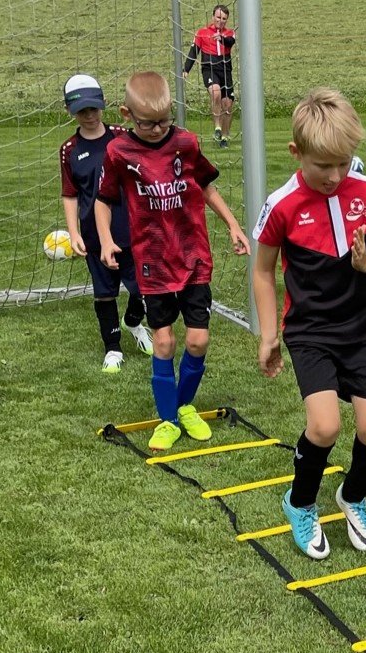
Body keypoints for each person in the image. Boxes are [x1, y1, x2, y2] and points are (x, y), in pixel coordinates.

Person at [253, 89, 366, 562]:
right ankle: (300, 503)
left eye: (343, 163)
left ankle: (352, 496)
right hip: (310, 333)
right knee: (325, 426)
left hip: (359, 331)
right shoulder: (282, 204)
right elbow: (262, 272)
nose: (334, 176)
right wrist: (269, 335)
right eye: (322, 166)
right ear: (296, 153)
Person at [94, 71, 250, 452]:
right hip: (153, 262)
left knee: (198, 339)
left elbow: (206, 187)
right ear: (127, 114)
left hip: (193, 256)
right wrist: (106, 240)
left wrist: (233, 224)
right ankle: (168, 419)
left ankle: (183, 406)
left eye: (164, 120)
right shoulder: (118, 153)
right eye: (148, 123)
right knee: (163, 342)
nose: (158, 129)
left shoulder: (186, 143)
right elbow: (103, 201)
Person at [58, 74, 154, 373]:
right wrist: (73, 232)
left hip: (133, 230)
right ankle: (113, 348)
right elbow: (70, 193)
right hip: (95, 236)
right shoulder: (70, 149)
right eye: (82, 111)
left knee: (144, 291)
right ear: (70, 111)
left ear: (102, 105)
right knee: (105, 292)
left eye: (93, 109)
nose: (89, 116)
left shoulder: (123, 137)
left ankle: (133, 322)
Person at [182, 4, 236, 148]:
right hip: (209, 68)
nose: (220, 21)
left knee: (228, 104)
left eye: (224, 18)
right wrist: (186, 69)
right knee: (215, 93)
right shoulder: (202, 32)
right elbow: (194, 51)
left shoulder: (229, 33)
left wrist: (221, 38)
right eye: (218, 17)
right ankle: (217, 128)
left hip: (225, 70)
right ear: (213, 17)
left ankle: (224, 136)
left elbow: (231, 42)